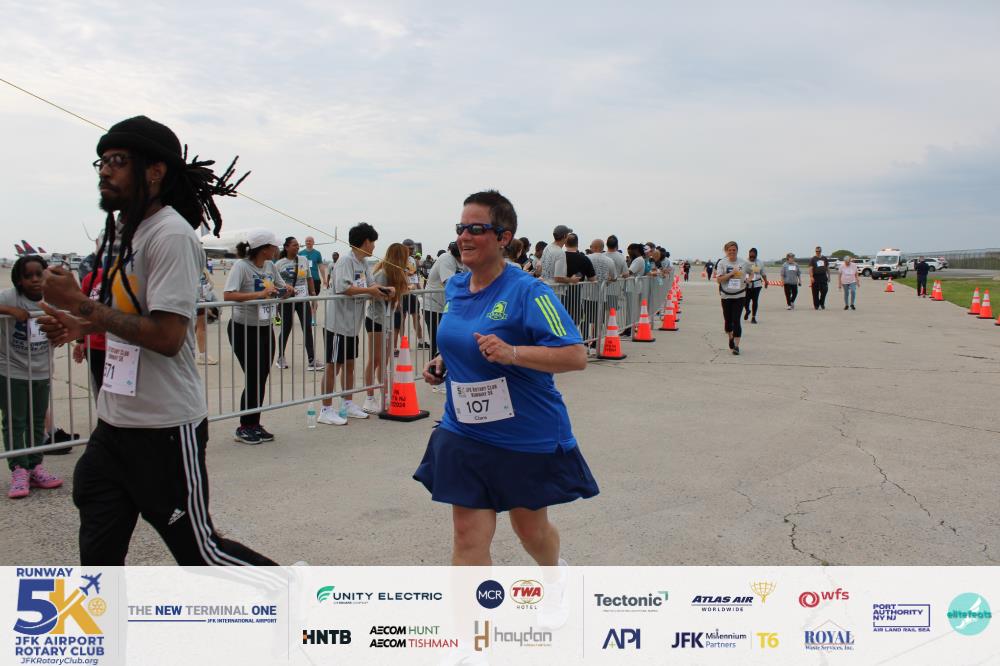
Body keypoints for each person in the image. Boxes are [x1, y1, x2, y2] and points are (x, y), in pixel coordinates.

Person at [39, 115, 277, 565]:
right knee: (98, 559)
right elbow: (127, 313)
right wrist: (82, 325)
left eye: (118, 160)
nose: (105, 170)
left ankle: (296, 597)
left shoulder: (170, 234)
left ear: (154, 171)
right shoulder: (121, 234)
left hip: (164, 431)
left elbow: (167, 336)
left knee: (201, 555)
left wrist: (81, 304)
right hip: (113, 426)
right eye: (101, 161)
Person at [414, 190, 598, 593]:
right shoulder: (456, 287)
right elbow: (462, 338)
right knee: (467, 537)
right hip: (464, 431)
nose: (464, 237)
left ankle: (555, 577)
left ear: (503, 237)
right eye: (461, 228)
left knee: (530, 530)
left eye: (476, 229)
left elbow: (575, 355)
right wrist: (444, 362)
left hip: (523, 434)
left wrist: (512, 353)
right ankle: (476, 628)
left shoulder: (530, 291)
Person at [318, 222, 394, 426]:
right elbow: (344, 288)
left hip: (353, 325)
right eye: (373, 242)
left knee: (349, 365)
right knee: (333, 366)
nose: (374, 246)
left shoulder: (363, 263)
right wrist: (370, 291)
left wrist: (386, 290)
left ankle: (347, 403)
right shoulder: (345, 261)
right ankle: (326, 409)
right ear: (365, 242)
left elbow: (372, 285)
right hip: (338, 324)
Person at [1, 255, 63, 498]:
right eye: (29, 276)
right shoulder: (10, 297)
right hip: (12, 368)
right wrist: (10, 311)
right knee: (15, 420)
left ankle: (35, 466)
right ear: (19, 280)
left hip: (41, 369)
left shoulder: (53, 298)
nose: (35, 280)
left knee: (37, 420)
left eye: (40, 274)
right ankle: (19, 468)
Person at [223, 231, 290, 444]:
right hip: (243, 328)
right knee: (253, 376)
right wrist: (258, 295)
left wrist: (285, 291)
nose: (277, 249)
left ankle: (254, 423)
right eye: (274, 246)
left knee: (261, 376)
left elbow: (279, 288)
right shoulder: (241, 266)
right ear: (263, 249)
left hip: (264, 327)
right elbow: (229, 294)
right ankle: (244, 427)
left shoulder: (270, 266)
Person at [362, 243, 407, 414]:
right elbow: (373, 295)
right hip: (376, 320)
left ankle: (385, 394)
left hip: (387, 321)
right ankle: (369, 397)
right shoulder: (382, 274)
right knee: (375, 359)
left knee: (385, 360)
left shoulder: (398, 274)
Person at [275, 236, 318, 370]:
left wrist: (313, 295)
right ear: (286, 247)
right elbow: (274, 283)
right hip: (287, 301)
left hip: (302, 300)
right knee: (286, 328)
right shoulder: (279, 264)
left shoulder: (303, 260)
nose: (297, 247)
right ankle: (280, 358)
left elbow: (309, 278)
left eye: (298, 245)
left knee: (307, 328)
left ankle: (312, 360)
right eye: (294, 245)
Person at [423, 242, 463, 371]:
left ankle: (449, 372)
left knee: (451, 342)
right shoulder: (446, 258)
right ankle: (434, 373)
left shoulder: (464, 261)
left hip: (448, 308)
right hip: (433, 307)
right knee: (438, 343)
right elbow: (450, 283)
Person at [75, 263, 107, 390]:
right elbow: (82, 310)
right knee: (101, 390)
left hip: (123, 346)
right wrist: (80, 341)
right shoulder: (91, 277)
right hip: (95, 347)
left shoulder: (131, 274)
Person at [715, 241, 750, 355]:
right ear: (726, 251)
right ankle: (730, 337)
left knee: (736, 320)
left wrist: (749, 279)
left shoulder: (743, 263)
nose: (732, 252)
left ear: (737, 250)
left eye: (734, 250)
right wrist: (731, 274)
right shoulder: (722, 263)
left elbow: (751, 273)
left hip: (739, 295)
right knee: (728, 321)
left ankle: (736, 346)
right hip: (726, 295)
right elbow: (719, 280)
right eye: (729, 250)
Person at [401, 239, 428, 349]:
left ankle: (421, 341)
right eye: (410, 248)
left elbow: (415, 276)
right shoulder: (399, 259)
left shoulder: (413, 259)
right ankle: (403, 343)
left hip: (413, 293)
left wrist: (420, 290)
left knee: (416, 317)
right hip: (403, 292)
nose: (412, 250)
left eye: (413, 248)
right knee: (402, 318)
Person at [743, 247, 768, 324]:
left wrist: (766, 281)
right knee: (746, 301)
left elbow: (763, 273)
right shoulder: (744, 262)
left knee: (755, 301)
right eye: (750, 256)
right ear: (748, 255)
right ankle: (747, 310)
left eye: (753, 256)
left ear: (756, 255)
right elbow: (741, 273)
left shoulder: (760, 263)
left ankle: (753, 317)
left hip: (757, 285)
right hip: (747, 285)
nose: (752, 258)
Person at [809, 246, 830, 310]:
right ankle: (816, 305)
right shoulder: (813, 259)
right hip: (815, 276)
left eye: (819, 251)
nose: (818, 252)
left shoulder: (824, 258)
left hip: (823, 276)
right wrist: (811, 277)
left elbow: (827, 268)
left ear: (821, 251)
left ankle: (821, 303)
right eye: (816, 251)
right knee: (815, 292)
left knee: (825, 290)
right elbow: (810, 268)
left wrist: (829, 276)